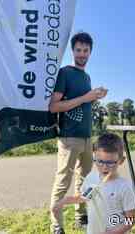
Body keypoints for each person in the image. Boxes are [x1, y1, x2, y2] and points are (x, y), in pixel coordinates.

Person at [49, 31, 108, 233]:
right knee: (62, 182)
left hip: (86, 137)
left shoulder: (87, 77)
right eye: (78, 50)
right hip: (68, 137)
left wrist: (94, 96)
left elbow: (83, 101)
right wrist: (86, 97)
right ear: (72, 51)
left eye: (86, 50)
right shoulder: (65, 72)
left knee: (84, 180)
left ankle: (80, 215)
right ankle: (56, 226)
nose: (82, 54)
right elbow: (54, 106)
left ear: (90, 52)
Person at [52, 133, 135, 234]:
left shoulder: (125, 187)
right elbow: (84, 197)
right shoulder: (91, 178)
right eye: (100, 161)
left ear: (121, 161)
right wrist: (64, 201)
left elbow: (131, 220)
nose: (104, 167)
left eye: (110, 162)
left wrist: (112, 232)